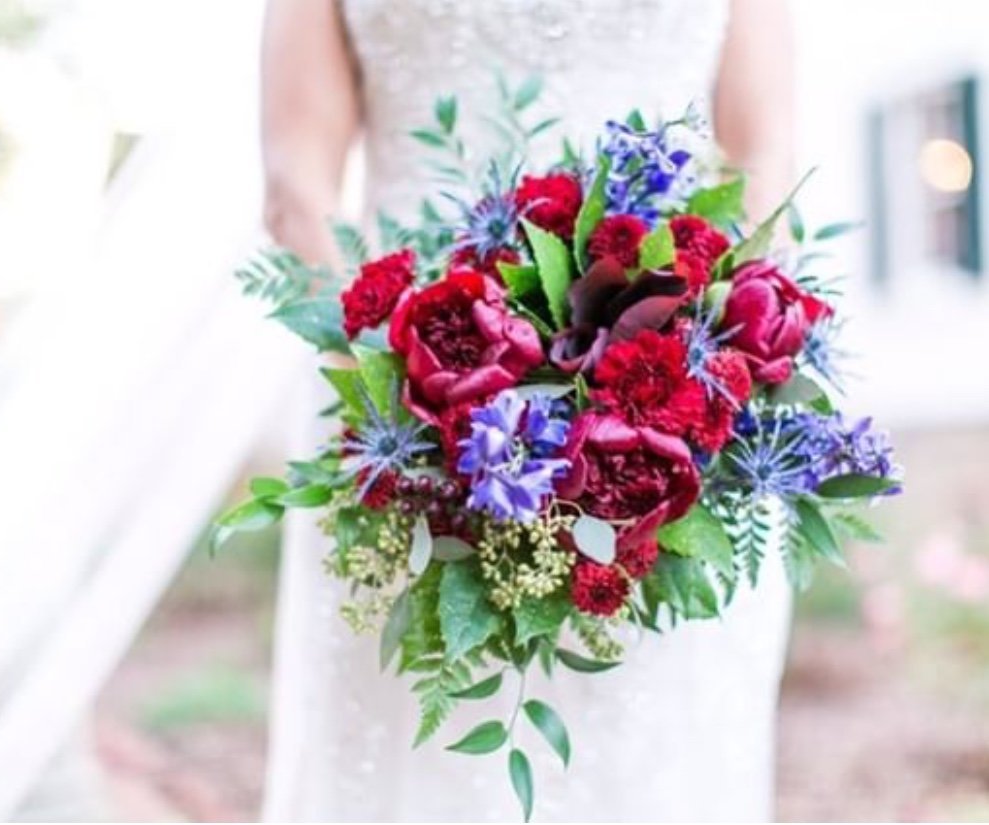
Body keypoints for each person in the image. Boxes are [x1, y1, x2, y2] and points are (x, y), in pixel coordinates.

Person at [259, 0, 795, 821]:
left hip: (671, 411)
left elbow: (762, 165)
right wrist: (417, 405)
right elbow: (297, 186)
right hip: (404, 411)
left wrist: (700, 367)